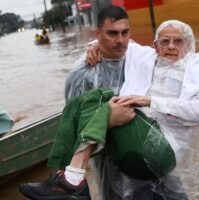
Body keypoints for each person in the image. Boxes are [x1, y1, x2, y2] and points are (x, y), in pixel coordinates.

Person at [19, 8, 199, 200]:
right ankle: (67, 178)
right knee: (91, 101)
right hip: (122, 162)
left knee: (99, 100)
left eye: (178, 41)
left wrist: (150, 101)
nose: (171, 46)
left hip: (161, 154)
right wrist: (96, 47)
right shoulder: (142, 59)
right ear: (156, 45)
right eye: (112, 33)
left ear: (188, 44)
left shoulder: (194, 66)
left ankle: (70, 179)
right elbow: (73, 126)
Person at [19, 5, 134, 200]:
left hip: (148, 153)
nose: (120, 40)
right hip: (108, 158)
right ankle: (68, 182)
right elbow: (72, 126)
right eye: (112, 33)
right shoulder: (83, 73)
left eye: (125, 33)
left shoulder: (140, 59)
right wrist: (108, 119)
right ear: (97, 33)